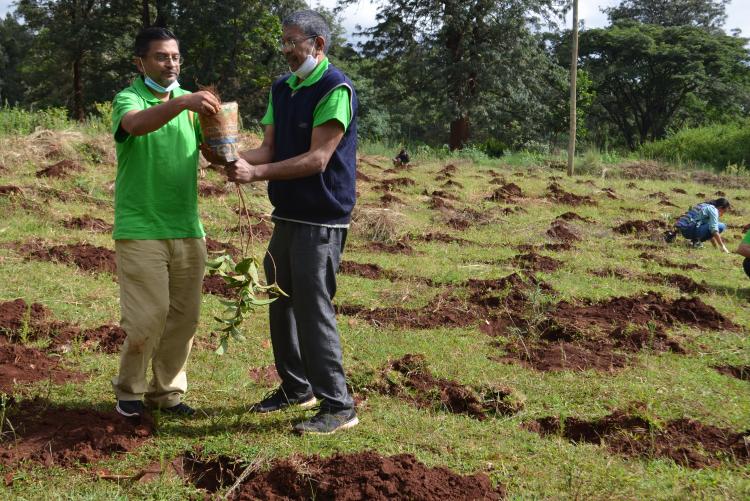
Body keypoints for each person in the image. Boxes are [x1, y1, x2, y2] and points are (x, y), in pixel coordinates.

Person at [205, 10, 358, 435]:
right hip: (287, 215)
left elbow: (317, 159)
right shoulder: (282, 88)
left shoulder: (335, 87)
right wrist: (229, 158)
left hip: (321, 219)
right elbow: (268, 148)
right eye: (284, 42)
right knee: (279, 299)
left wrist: (255, 174)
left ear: (318, 45)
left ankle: (339, 405)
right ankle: (296, 387)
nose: (288, 50)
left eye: (294, 42)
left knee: (312, 309)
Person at [111, 26, 220, 418]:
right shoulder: (129, 98)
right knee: (147, 317)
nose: (170, 63)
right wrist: (182, 103)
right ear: (140, 62)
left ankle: (167, 394)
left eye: (175, 56)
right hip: (140, 229)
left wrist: (225, 143)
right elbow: (136, 125)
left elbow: (212, 151)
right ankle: (129, 393)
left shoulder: (191, 104)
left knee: (184, 318)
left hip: (188, 227)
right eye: (161, 56)